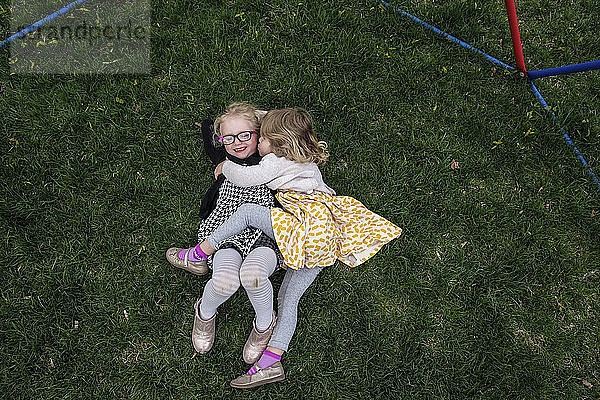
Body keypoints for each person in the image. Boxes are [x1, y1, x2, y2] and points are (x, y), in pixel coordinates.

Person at [178, 107, 403, 388]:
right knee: (289, 299)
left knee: (249, 212)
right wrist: (260, 118)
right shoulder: (305, 159)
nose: (255, 144)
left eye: (259, 138)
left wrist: (227, 167)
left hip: (303, 224)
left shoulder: (275, 160)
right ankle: (270, 364)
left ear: (274, 141)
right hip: (324, 237)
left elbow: (247, 178)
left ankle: (198, 253)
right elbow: (264, 129)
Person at [165, 102, 281, 365]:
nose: (237, 143)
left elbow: (285, 125)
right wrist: (217, 127)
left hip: (264, 234)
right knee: (225, 281)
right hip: (225, 231)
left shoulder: (271, 158)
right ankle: (204, 313)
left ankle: (265, 324)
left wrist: (261, 119)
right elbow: (210, 132)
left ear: (260, 135)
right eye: (229, 138)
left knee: (253, 275)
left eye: (245, 135)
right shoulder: (222, 160)